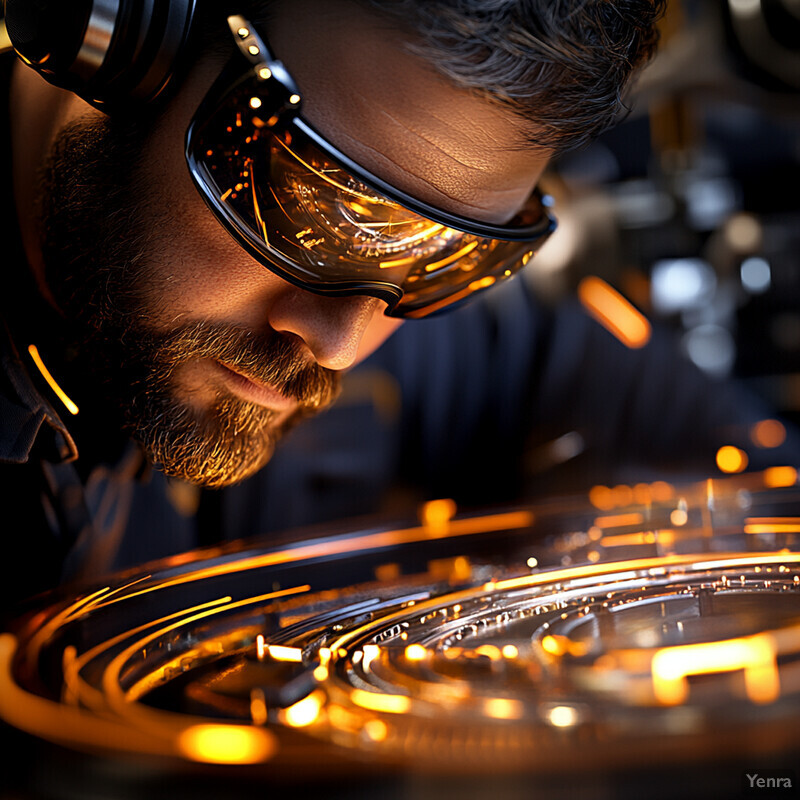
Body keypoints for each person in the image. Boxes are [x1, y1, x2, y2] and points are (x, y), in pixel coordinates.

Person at [0, 0, 793, 617]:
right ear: (119, 33)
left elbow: (573, 367)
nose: (344, 342)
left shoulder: (378, 324)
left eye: (445, 256)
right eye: (317, 212)